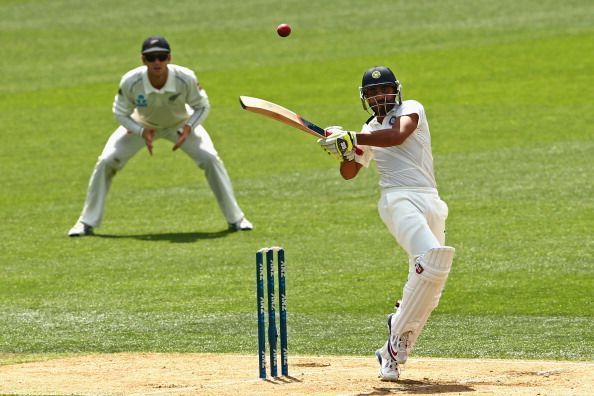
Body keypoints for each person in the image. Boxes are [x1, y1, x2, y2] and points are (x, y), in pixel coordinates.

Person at [318, 66, 455, 381]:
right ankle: (395, 350)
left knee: (431, 289)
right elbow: (350, 172)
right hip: (397, 200)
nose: (381, 96)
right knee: (434, 259)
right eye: (374, 92)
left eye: (385, 90)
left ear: (396, 90)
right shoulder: (368, 127)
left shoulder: (411, 109)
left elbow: (397, 136)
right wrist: (344, 150)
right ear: (365, 97)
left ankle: (391, 341)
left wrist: (353, 137)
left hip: (430, 200)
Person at [68, 36, 252, 236]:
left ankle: (237, 219)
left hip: (181, 125)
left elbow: (202, 106)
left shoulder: (185, 77)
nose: (157, 62)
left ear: (169, 58)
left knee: (210, 158)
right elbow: (120, 112)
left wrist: (189, 127)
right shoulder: (131, 81)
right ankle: (86, 222)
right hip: (142, 125)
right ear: (143, 60)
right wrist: (140, 131)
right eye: (151, 57)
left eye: (161, 57)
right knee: (106, 161)